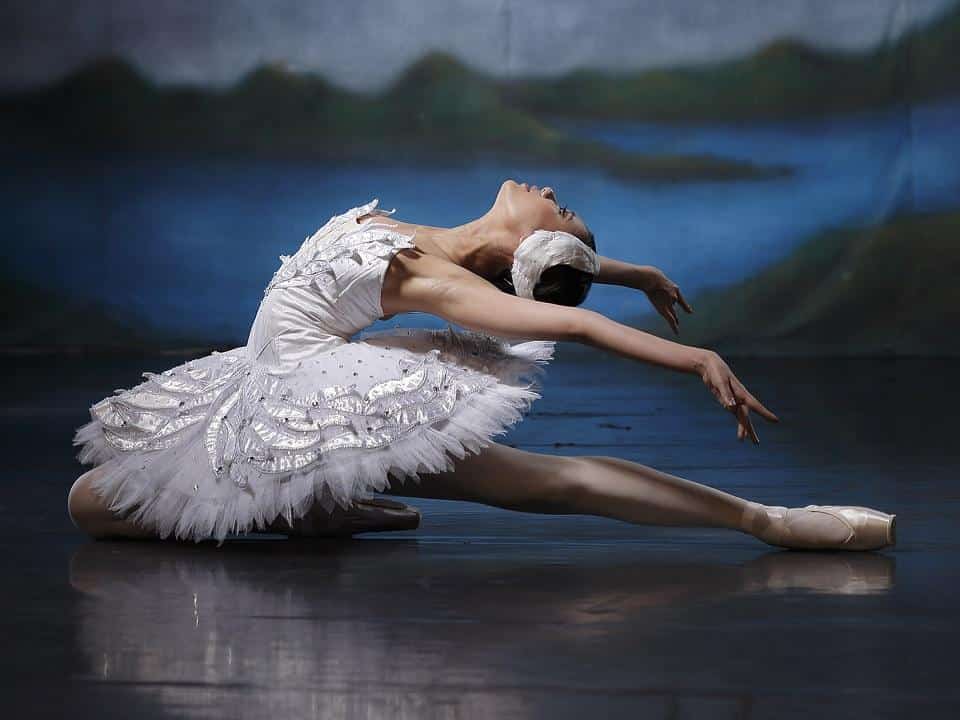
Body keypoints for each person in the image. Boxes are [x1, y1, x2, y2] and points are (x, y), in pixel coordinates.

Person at [67, 180, 896, 550]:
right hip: (257, 390)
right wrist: (633, 272)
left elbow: (574, 326)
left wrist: (695, 357)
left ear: (531, 242)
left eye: (560, 208)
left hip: (322, 405)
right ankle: (319, 510)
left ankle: (766, 520)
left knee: (551, 483)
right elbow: (555, 262)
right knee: (92, 504)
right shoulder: (425, 235)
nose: (553, 189)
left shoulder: (438, 280)